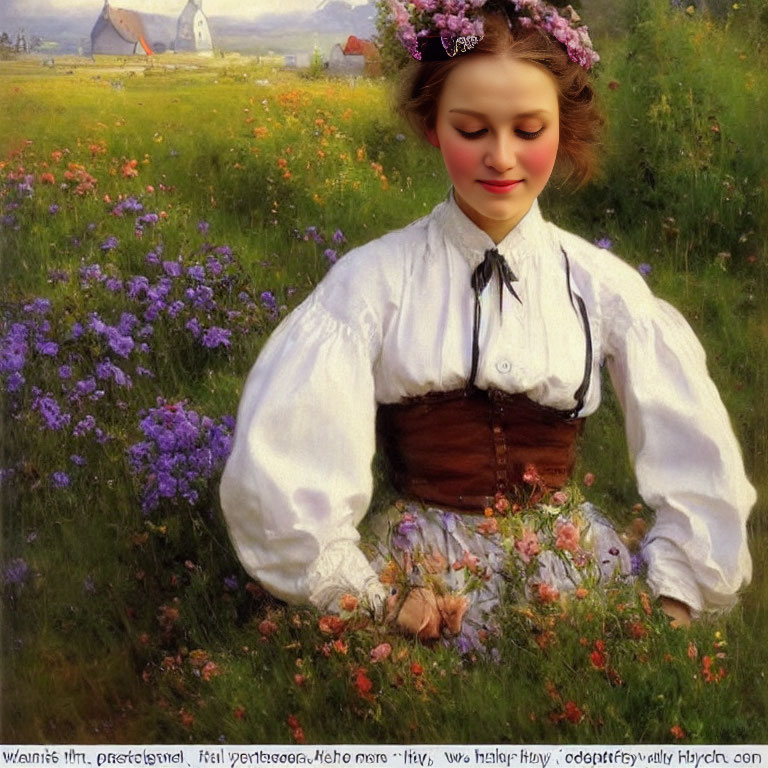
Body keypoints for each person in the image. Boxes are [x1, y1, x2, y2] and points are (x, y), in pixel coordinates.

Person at [219, 0, 755, 642]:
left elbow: (695, 453)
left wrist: (676, 595)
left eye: (529, 130)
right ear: (432, 127)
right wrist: (370, 600)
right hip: (422, 582)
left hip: (570, 574)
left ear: (565, 128)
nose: (501, 157)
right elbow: (290, 468)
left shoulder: (600, 285)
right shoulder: (372, 282)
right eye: (472, 130)